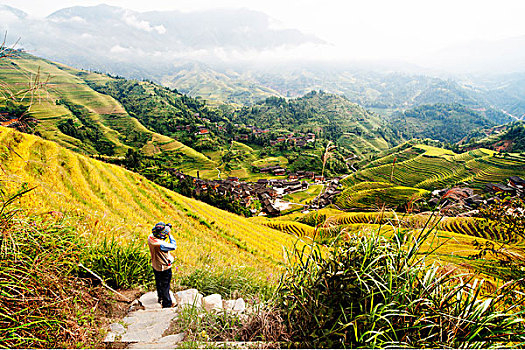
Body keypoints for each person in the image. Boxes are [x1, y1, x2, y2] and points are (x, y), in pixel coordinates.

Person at [147, 222, 177, 308]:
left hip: (155, 265)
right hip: (164, 267)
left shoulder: (150, 238)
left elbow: (159, 235)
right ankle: (167, 304)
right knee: (165, 286)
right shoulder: (161, 245)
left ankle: (160, 297)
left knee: (158, 283)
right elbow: (173, 246)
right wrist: (170, 234)